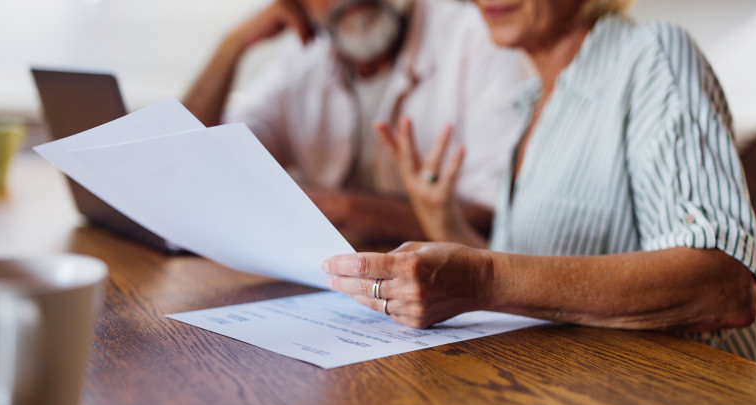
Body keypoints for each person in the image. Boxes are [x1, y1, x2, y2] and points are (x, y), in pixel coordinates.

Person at [323, 0, 756, 362]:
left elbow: (726, 286)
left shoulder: (654, 53)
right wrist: (442, 221)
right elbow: (526, 280)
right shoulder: (532, 105)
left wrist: (484, 279)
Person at [183, 0, 529, 244]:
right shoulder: (301, 58)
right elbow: (194, 158)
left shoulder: (478, 37)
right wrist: (232, 45)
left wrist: (341, 209)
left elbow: (490, 217)